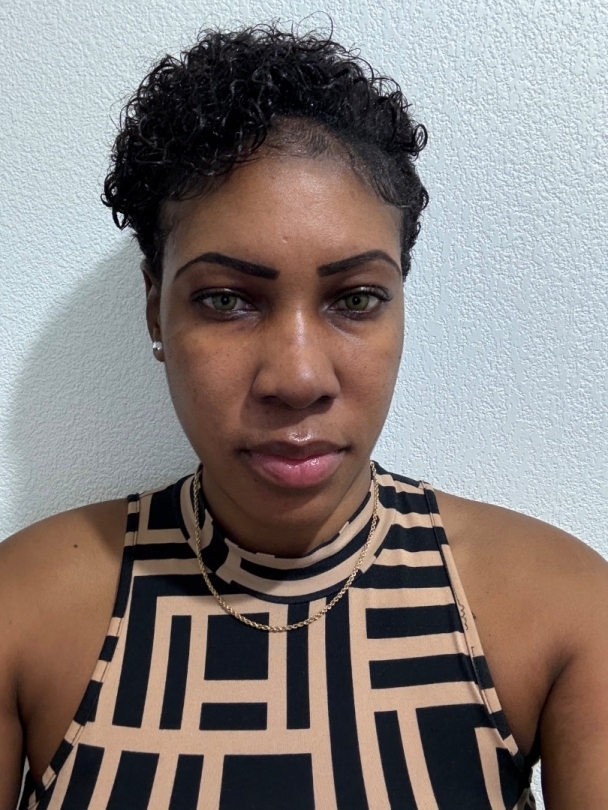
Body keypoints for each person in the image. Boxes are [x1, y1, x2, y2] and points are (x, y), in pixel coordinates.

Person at [1, 23, 607, 810]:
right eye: (227, 299)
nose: (297, 379)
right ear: (155, 308)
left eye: (355, 299)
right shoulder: (21, 612)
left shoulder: (566, 613)